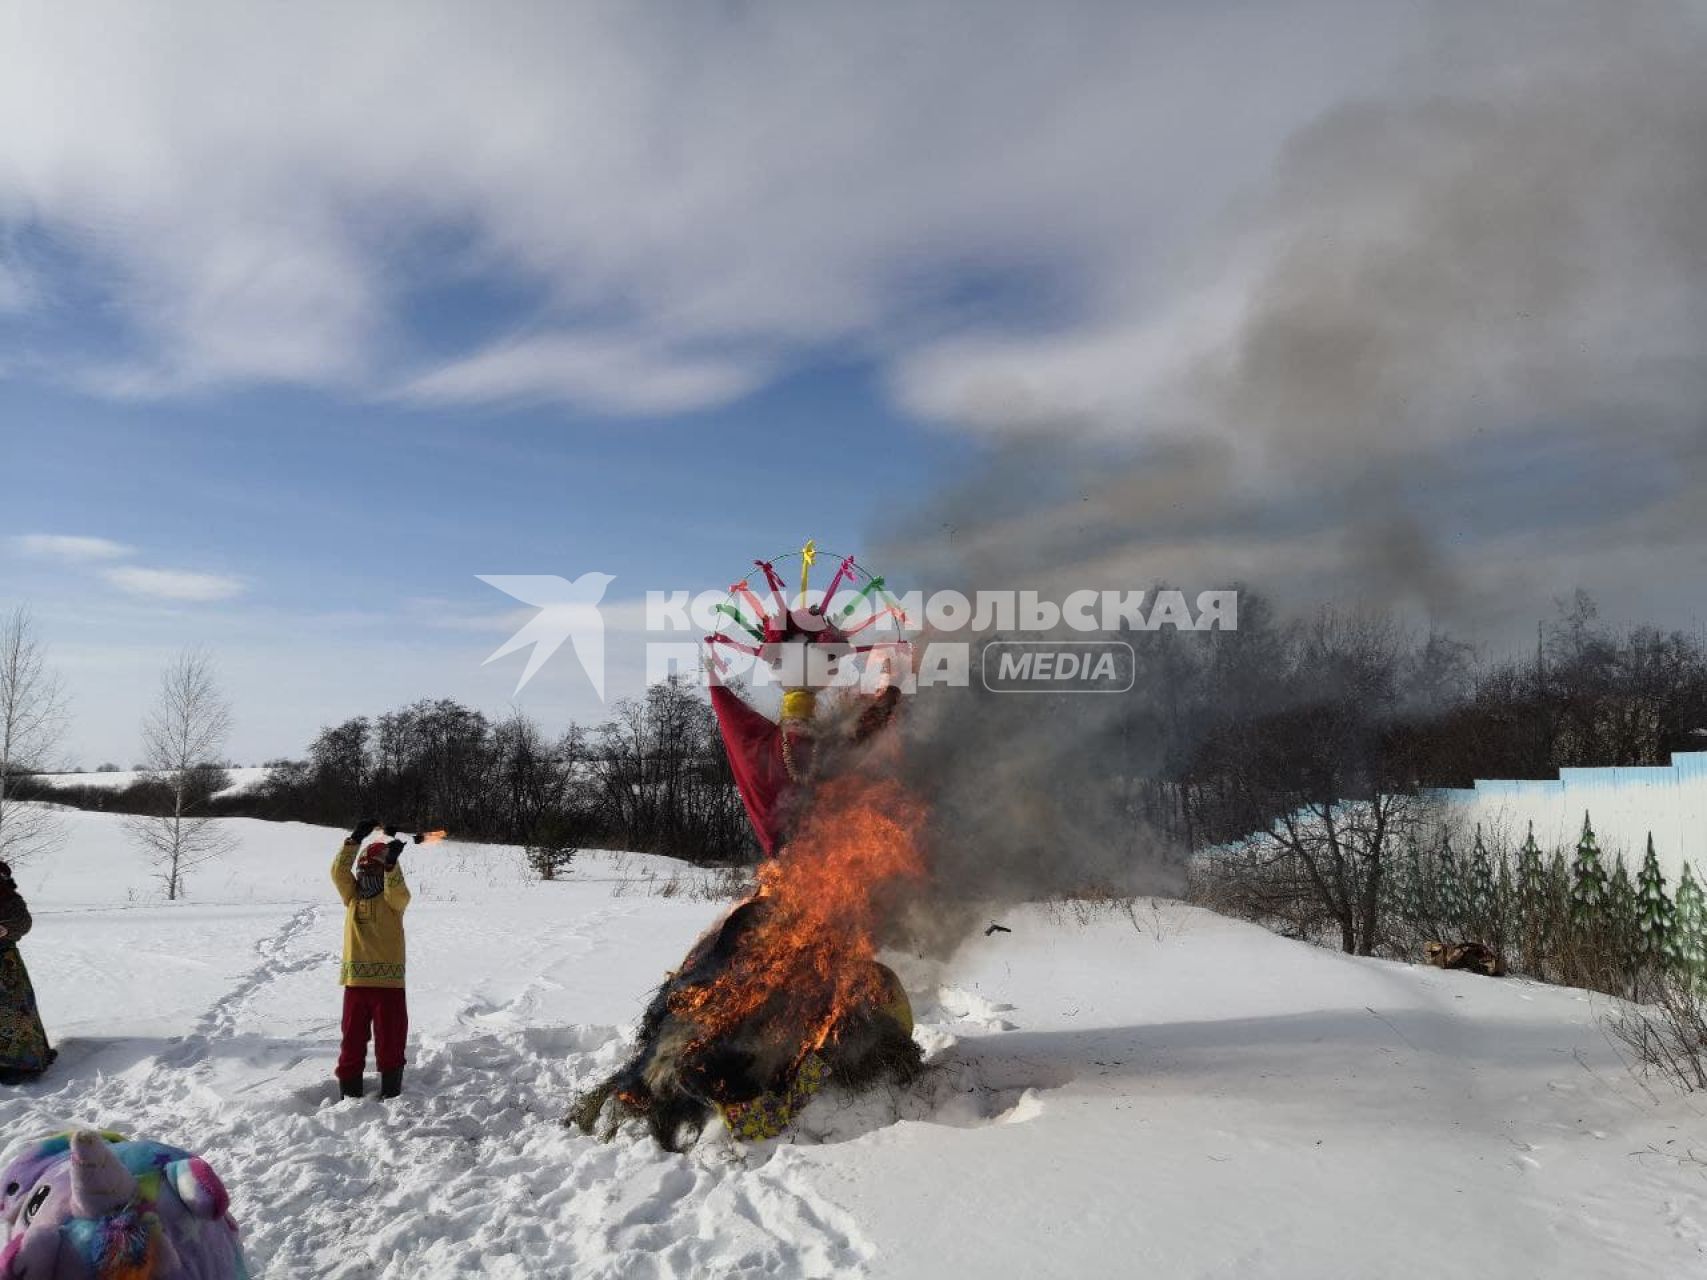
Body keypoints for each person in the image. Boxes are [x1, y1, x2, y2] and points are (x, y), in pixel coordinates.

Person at [331, 820, 411, 1100]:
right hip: (355, 983)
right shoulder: (352, 897)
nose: (365, 872)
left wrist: (391, 865)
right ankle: (349, 1095)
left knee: (390, 1042)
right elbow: (339, 872)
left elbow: (399, 892)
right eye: (362, 868)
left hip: (389, 985)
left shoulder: (392, 903)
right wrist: (354, 841)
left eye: (372, 867)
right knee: (351, 1042)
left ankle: (392, 1093)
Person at [0, 860, 55, 1084]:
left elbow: (23, 922)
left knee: (13, 1013)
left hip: (5, 966)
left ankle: (19, 1064)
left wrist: (5, 929)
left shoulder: (5, 895)